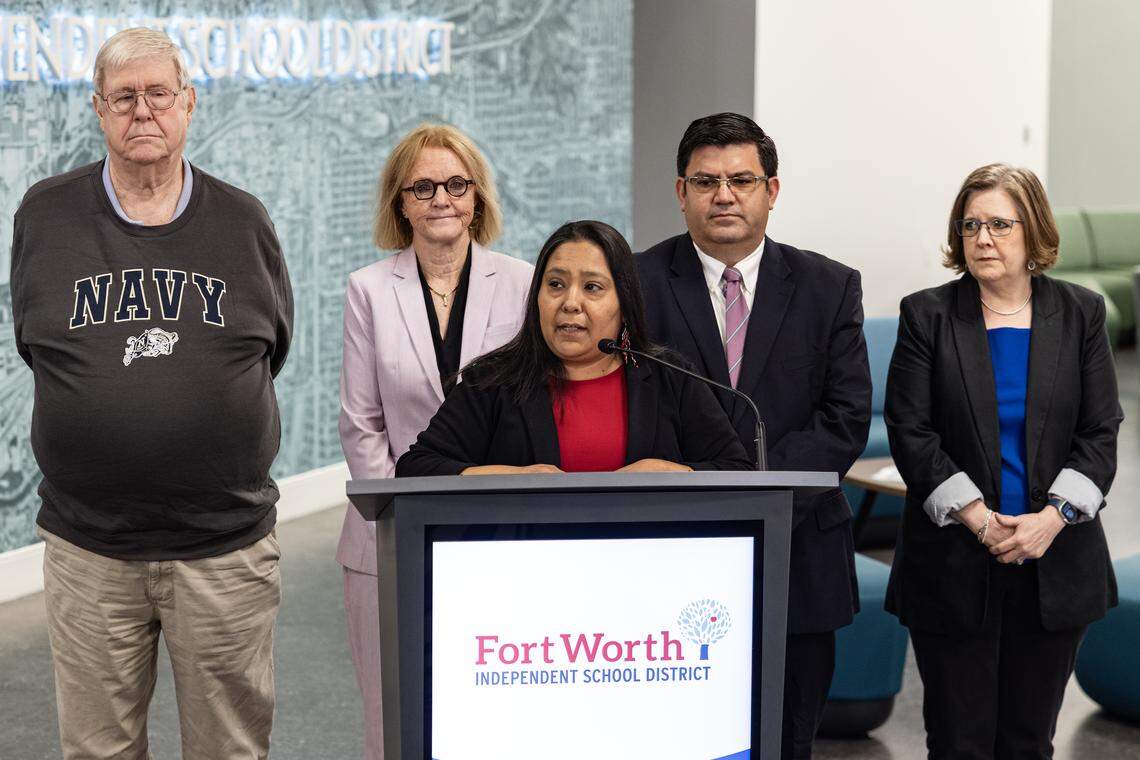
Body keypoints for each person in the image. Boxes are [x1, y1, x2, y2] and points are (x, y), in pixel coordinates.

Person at [9, 28, 292, 760]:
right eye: (125, 97)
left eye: (158, 94)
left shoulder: (242, 220)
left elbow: (271, 349)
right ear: (99, 110)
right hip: (90, 549)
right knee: (97, 752)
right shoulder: (44, 217)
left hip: (223, 549)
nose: (144, 112)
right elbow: (39, 347)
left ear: (188, 104)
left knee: (230, 750)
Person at [636, 112, 871, 759]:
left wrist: (755, 493)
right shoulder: (636, 284)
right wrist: (708, 494)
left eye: (742, 179)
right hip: (668, 553)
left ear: (772, 190)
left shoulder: (829, 286)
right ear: (680, 192)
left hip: (799, 553)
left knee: (788, 737)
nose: (724, 195)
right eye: (706, 181)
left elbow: (845, 417)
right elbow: (630, 410)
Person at [884, 163, 1122, 759]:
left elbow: (1100, 431)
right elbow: (911, 430)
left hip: (1055, 558)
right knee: (958, 743)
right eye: (970, 225)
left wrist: (1051, 518)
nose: (983, 238)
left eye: (998, 224)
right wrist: (981, 520)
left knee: (1028, 742)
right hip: (954, 560)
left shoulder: (1081, 314)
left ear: (1033, 230)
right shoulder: (927, 315)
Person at [337, 123, 533, 758]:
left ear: (477, 196)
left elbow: (530, 411)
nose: (441, 198)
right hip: (388, 535)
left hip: (498, 531)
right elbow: (361, 424)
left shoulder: (524, 282)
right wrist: (404, 516)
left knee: (491, 711)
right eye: (423, 187)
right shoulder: (368, 289)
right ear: (400, 201)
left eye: (456, 183)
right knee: (394, 716)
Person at [395, 220, 752, 477]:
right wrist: (509, 479)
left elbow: (736, 468)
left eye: (592, 287)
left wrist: (677, 472)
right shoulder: (491, 381)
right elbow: (417, 468)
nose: (570, 302)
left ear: (624, 303)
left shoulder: (669, 377)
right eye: (555, 284)